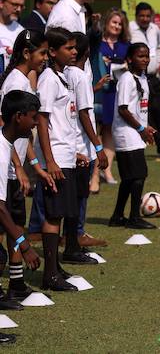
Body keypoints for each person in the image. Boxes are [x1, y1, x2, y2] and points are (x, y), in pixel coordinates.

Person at [36, 28, 95, 292]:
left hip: (66, 155)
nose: (74, 52)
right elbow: (43, 119)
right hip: (56, 158)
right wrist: (50, 160)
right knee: (53, 213)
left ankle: (55, 266)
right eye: (68, 48)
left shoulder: (62, 78)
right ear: (52, 51)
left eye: (74, 48)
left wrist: (76, 152)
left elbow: (64, 121)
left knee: (60, 213)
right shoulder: (48, 79)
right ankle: (49, 275)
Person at [0, 30, 52, 304]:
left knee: (16, 223)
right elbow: (4, 125)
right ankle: (11, 285)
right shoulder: (14, 83)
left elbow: (24, 131)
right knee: (9, 225)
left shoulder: (24, 81)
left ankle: (17, 282)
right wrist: (18, 167)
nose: (45, 58)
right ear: (26, 53)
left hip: (14, 166)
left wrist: (35, 164)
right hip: (7, 169)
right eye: (42, 53)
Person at [0, 90, 44, 333]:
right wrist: (24, 244)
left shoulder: (5, 145)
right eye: (33, 117)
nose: (36, 122)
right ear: (18, 117)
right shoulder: (0, 150)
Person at [66, 32, 109, 248]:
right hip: (81, 144)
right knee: (80, 195)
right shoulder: (79, 75)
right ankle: (76, 235)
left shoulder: (68, 72)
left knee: (75, 195)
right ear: (88, 52)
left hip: (73, 143)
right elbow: (83, 114)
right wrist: (98, 146)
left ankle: (73, 234)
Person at [109, 43, 157, 229]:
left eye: (147, 56)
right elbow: (123, 110)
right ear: (129, 59)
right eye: (140, 56)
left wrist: (146, 126)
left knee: (130, 177)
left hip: (136, 131)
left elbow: (138, 108)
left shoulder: (143, 78)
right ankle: (134, 217)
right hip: (126, 133)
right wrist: (140, 129)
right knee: (139, 175)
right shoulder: (127, 79)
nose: (145, 59)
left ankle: (117, 216)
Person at [129, 2, 160, 160]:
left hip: (152, 77)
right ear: (136, 16)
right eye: (141, 15)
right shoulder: (129, 28)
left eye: (147, 16)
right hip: (135, 77)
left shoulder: (155, 29)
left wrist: (156, 64)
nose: (144, 18)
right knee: (138, 114)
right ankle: (135, 150)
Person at [97, 8, 131, 183]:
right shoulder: (97, 43)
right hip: (99, 92)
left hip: (117, 93)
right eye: (114, 22)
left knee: (111, 131)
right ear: (107, 22)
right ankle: (93, 174)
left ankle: (107, 170)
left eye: (120, 24)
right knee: (96, 130)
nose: (117, 26)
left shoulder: (126, 46)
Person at [0, 0, 25, 70]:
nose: (18, 9)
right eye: (14, 4)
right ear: (1, 3)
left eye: (21, 6)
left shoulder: (21, 31)